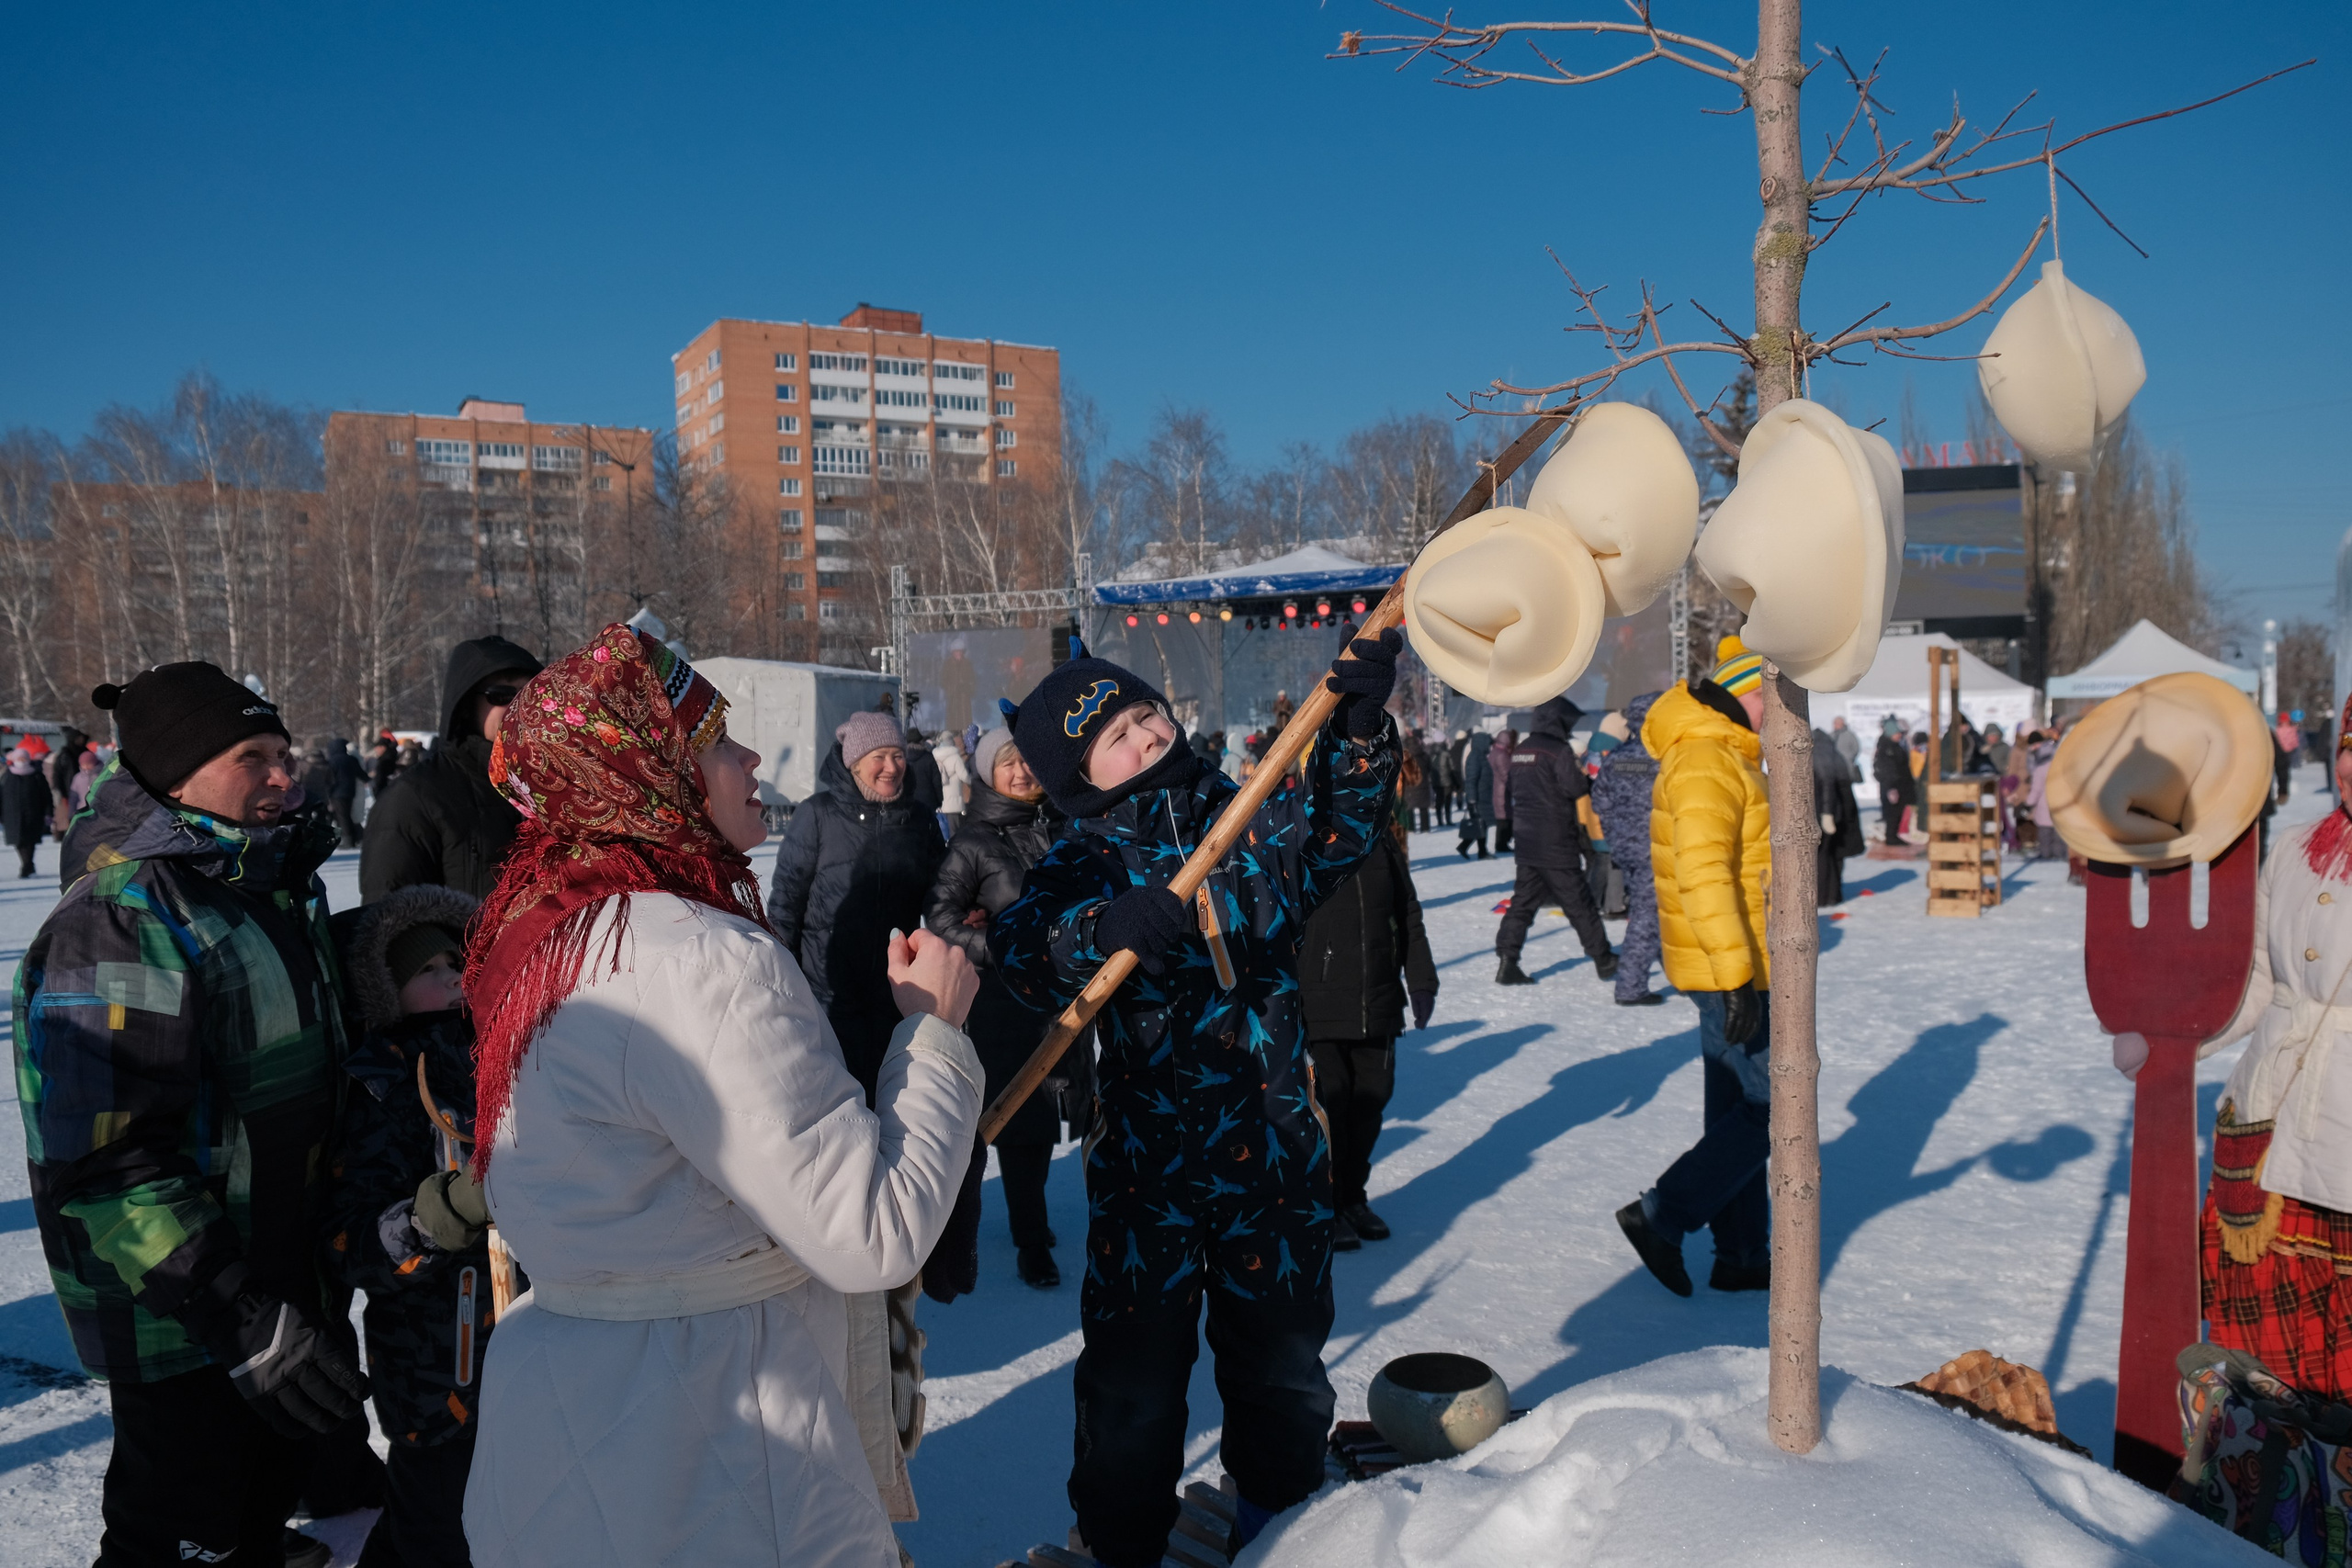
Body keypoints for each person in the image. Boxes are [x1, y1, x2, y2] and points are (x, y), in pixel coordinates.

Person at [457, 624, 984, 1566]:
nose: (750, 761)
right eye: (714, 745)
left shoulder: (547, 929)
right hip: (717, 1437)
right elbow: (868, 1233)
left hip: (569, 1407)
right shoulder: (696, 953)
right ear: (646, 775)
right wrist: (933, 1031)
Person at [992, 631, 1400, 1567]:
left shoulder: (1246, 815)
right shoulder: (1082, 862)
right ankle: (1120, 1543)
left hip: (1275, 1154)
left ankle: (1280, 1524)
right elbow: (1021, 953)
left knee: (1284, 1369)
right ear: (1081, 777)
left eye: (1147, 716)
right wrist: (1102, 927)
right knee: (1131, 1389)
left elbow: (1338, 826)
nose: (1146, 737)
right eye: (1118, 739)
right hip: (1148, 1178)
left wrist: (1361, 727)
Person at [17, 663, 366, 1566]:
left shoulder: (272, 884)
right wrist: (239, 1318)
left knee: (252, 1513)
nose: (284, 776)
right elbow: (108, 1162)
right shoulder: (124, 918)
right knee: (174, 1534)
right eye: (252, 757)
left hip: (279, 1288)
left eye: (283, 753)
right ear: (174, 776)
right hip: (186, 1319)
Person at [324, 884, 498, 1568]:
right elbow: (354, 1240)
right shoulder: (377, 1084)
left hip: (510, 1335)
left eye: (456, 963)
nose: (451, 976)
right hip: (433, 1362)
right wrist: (443, 1212)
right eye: (427, 969)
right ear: (382, 987)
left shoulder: (493, 1054)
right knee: (433, 1525)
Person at [2194, 701, 2352, 1404]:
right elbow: (2255, 979)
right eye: (2349, 748)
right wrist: (2177, 1041)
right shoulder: (2292, 850)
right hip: (2263, 1126)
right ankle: (2254, 1499)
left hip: (2342, 1147)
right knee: (2257, 1362)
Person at [1614, 637, 1773, 1298]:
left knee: (1735, 1107)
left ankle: (1739, 1251)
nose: (1776, 710)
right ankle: (1665, 1212)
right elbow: (1705, 875)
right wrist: (1739, 973)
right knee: (1775, 1105)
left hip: (1722, 959)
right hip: (1730, 963)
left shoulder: (1714, 750)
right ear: (1744, 691)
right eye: (1770, 695)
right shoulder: (1709, 756)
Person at [925, 725, 1090, 1289]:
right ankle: (1028, 1240)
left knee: (1056, 1113)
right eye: (1007, 764)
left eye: (1028, 762)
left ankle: (1033, 1224)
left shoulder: (1066, 827)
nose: (1021, 773)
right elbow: (941, 918)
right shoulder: (973, 842)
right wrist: (998, 945)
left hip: (1068, 997)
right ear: (987, 773)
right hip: (1006, 1000)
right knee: (1021, 1120)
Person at [768, 709, 949, 1096]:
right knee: (836, 1100)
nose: (891, 767)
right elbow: (786, 903)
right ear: (854, 763)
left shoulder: (918, 819)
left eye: (898, 755)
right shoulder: (817, 814)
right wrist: (785, 977)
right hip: (827, 990)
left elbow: (941, 893)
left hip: (895, 988)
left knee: (891, 1097)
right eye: (878, 757)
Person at [1302, 819, 1436, 1251]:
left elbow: (1407, 911)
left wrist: (1421, 980)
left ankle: (1353, 1198)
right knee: (1332, 1103)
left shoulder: (1381, 840)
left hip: (1378, 997)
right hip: (1319, 1000)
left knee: (1373, 1100)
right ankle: (1327, 1205)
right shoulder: (1302, 836)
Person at [361, 636, 543, 901]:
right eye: (502, 695)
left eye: (532, 693)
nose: (519, 706)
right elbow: (390, 919)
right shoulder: (416, 797)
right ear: (467, 705)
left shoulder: (557, 786)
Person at [1494, 697, 1617, 988]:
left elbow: (1512, 788)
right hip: (1555, 841)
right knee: (1579, 903)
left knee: (1522, 903)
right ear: (1558, 721)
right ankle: (1603, 959)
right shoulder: (1557, 751)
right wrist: (1586, 780)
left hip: (1527, 841)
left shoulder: (1521, 750)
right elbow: (1574, 788)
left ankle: (1507, 960)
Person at [1590, 693, 1667, 1007]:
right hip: (1656, 848)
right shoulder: (1664, 758)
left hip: (1626, 848)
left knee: (1655, 910)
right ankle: (1630, 987)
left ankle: (1678, 973)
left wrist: (1617, 836)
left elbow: (1600, 803)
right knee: (1649, 915)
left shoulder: (1616, 757)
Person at [1811, 724, 1867, 907]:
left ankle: (1821, 897)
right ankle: (1834, 895)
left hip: (1822, 813)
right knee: (1834, 855)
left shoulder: (1816, 757)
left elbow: (1826, 786)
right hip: (1839, 814)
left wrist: (1826, 813)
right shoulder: (1836, 756)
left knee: (1820, 856)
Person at [3, 745, 52, 878]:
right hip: (12, 814)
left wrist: (48, 812)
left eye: (24, 758)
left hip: (33, 813)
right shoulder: (8, 775)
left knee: (30, 841)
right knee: (18, 841)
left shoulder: (36, 775)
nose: (21, 760)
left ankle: (27, 865)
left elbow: (46, 795)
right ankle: (28, 864)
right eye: (19, 758)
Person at [1871, 716, 1911, 847]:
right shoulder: (1887, 748)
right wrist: (1891, 787)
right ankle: (1891, 836)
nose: (1899, 735)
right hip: (1892, 785)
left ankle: (1893, 835)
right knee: (1893, 812)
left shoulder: (1893, 746)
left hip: (1897, 784)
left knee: (1896, 811)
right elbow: (1887, 769)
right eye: (1897, 733)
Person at [1457, 728, 1493, 860]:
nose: (1489, 745)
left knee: (1481, 825)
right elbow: (1471, 780)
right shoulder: (1475, 758)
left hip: (1483, 796)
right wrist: (1472, 800)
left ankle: (1468, 847)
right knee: (1480, 825)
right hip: (1478, 798)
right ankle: (1481, 852)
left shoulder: (1480, 756)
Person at [936, 725, 972, 837]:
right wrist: (973, 782)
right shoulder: (955, 757)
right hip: (955, 800)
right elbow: (964, 776)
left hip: (942, 800)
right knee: (956, 832)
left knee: (944, 831)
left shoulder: (935, 756)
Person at [903, 724, 945, 815]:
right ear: (921, 741)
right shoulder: (929, 757)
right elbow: (937, 782)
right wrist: (940, 801)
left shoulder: (903, 760)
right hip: (929, 802)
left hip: (908, 803)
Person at [1488, 726, 1517, 853]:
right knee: (1504, 819)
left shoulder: (1495, 751)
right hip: (1502, 791)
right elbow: (1506, 775)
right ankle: (1501, 844)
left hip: (1497, 789)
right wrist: (1515, 788)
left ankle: (1501, 843)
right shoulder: (1502, 755)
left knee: (1502, 818)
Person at [1400, 728, 1433, 831]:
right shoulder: (1424, 755)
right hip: (1423, 785)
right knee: (1424, 808)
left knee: (1409, 808)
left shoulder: (1403, 757)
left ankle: (1411, 828)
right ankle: (1425, 827)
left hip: (1409, 786)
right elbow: (1429, 769)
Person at [2275, 711, 2304, 804]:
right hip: (2288, 753)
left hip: (2277, 753)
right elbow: (2295, 742)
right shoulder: (2292, 729)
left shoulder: (2277, 730)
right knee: (2284, 774)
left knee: (2276, 773)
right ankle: (2283, 794)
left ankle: (2277, 794)